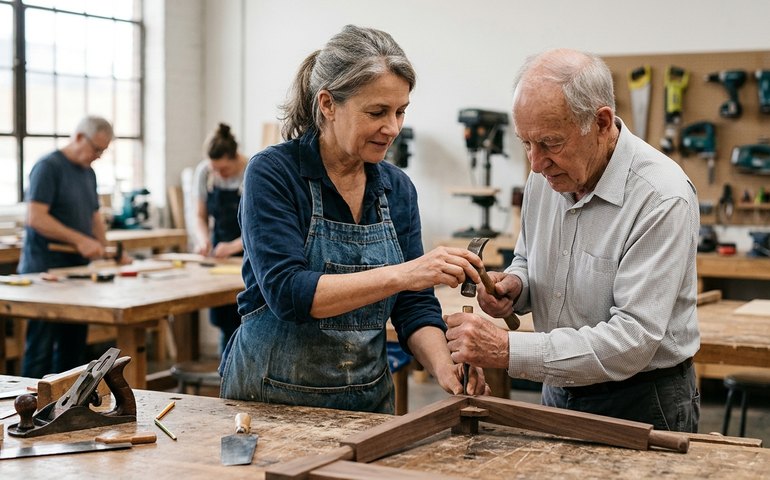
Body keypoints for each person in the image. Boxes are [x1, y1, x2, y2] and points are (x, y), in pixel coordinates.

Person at [220, 24, 489, 414]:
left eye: (400, 111)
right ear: (328, 104)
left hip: (366, 404)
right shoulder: (274, 173)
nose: (392, 128)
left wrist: (445, 367)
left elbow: (413, 307)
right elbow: (289, 293)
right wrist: (406, 273)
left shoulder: (397, 188)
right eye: (377, 112)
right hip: (270, 404)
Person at [445, 49, 701, 432]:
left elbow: (632, 340)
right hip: (558, 385)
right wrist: (517, 286)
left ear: (601, 123)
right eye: (526, 143)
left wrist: (506, 348)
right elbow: (527, 259)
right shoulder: (545, 178)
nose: (535, 163)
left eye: (550, 143)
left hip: (641, 399)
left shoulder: (660, 197)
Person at [19, 115, 114, 378]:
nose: (98, 156)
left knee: (73, 353)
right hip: (44, 273)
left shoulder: (88, 172)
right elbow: (36, 218)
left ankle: (68, 404)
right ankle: (28, 404)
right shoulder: (48, 168)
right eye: (96, 149)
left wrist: (106, 250)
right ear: (79, 137)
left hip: (77, 274)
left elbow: (94, 215)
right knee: (40, 351)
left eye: (103, 151)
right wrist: (80, 240)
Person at [192, 122, 247, 351]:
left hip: (247, 255)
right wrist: (203, 239)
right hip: (220, 256)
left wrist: (234, 246)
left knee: (244, 317)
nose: (218, 174)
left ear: (235, 158)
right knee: (224, 320)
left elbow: (262, 226)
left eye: (223, 169)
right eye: (214, 168)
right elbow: (200, 215)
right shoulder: (205, 173)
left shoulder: (252, 171)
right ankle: (225, 368)